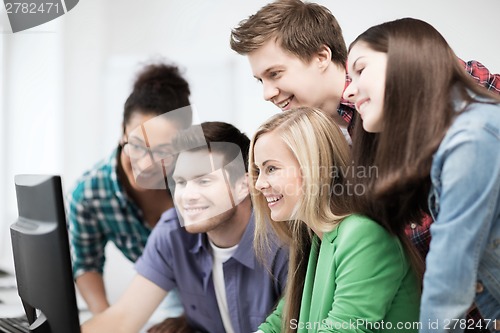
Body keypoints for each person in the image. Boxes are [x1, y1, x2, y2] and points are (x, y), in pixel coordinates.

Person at [230, 1, 500, 326]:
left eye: (275, 74)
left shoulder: (404, 80)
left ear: (321, 56)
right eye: (260, 80)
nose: (267, 93)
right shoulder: (312, 143)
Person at [342, 18, 500, 333]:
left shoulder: (472, 136)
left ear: (407, 59)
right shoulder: (450, 142)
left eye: (361, 70)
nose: (348, 92)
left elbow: (449, 280)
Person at [81, 121, 288, 333]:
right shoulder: (172, 232)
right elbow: (123, 318)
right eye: (180, 182)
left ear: (243, 186)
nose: (187, 196)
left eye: (203, 181)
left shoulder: (282, 242)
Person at [249, 107, 420, 333]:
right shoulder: (315, 238)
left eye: (271, 168)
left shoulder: (363, 235)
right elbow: (282, 319)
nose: (259, 184)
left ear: (314, 168)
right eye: (258, 170)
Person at [67, 62, 191, 315]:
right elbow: (86, 263)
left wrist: (192, 318)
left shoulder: (200, 178)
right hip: (163, 295)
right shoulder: (89, 192)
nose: (145, 165)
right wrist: (104, 319)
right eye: (136, 145)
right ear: (122, 132)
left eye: (162, 152)